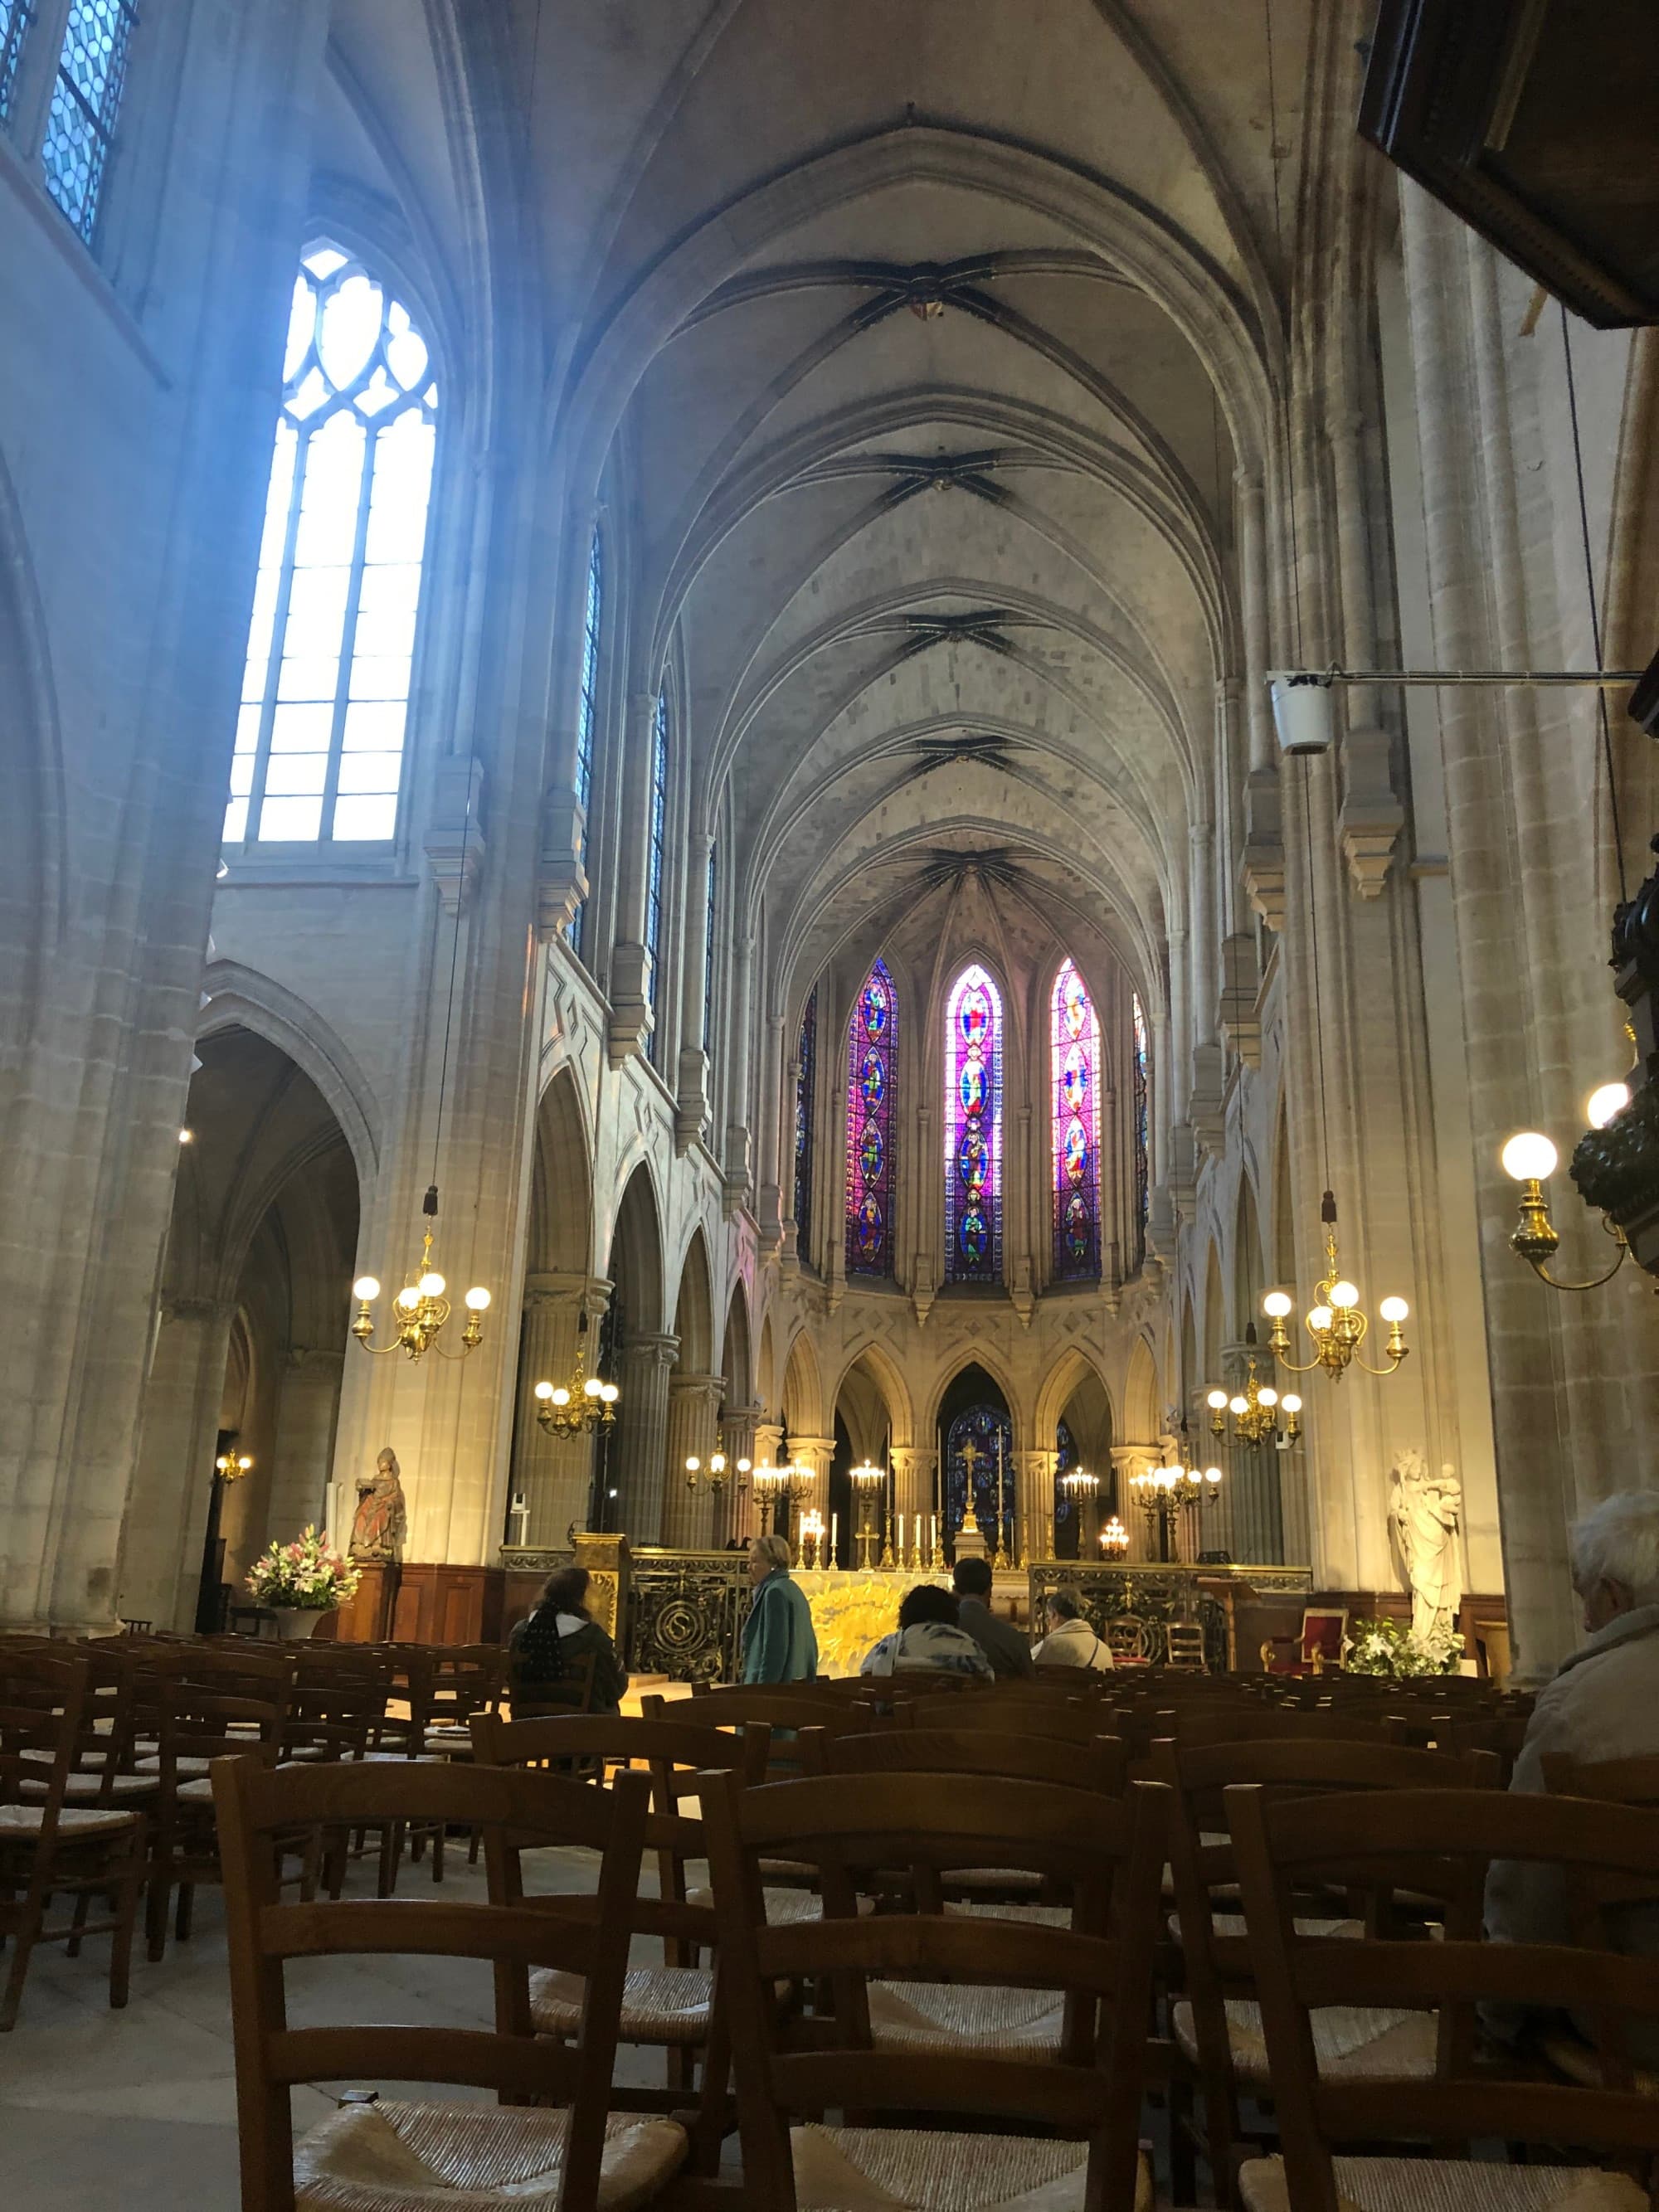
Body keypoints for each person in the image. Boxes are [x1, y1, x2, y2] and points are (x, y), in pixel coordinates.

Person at [1485, 1490, 1659, 2053]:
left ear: (1613, 1595)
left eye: (1586, 1598)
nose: (1585, 1620)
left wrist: (1495, 2019)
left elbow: (1525, 1912)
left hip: (1636, 2030)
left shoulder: (1577, 1705)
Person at [508, 1565, 628, 1715]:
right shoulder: (594, 1637)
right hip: (582, 1729)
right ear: (581, 1599)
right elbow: (616, 1688)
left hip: (526, 1726)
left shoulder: (520, 1632)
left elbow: (511, 1681)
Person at [860, 1583, 995, 1679]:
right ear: (951, 1613)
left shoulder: (888, 1646)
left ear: (907, 1615)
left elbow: (867, 1677)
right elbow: (986, 1680)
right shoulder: (967, 1646)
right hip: (956, 1717)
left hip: (898, 1717)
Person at [740, 1533, 819, 1684]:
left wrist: (763, 1692)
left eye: (755, 1561)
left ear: (773, 1564)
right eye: (748, 1561)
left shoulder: (775, 1593)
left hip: (778, 1692)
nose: (749, 1568)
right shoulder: (793, 1589)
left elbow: (774, 1651)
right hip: (796, 1687)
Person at [952, 1554, 1034, 1679]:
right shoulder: (1013, 1639)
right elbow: (1029, 1683)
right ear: (990, 1590)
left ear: (955, 1590)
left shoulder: (938, 1636)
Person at [1032, 1587, 1115, 1672]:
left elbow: (1029, 1673)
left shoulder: (1052, 1644)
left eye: (1049, 1617)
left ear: (1055, 1615)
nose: (1049, 1623)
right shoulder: (1104, 1650)